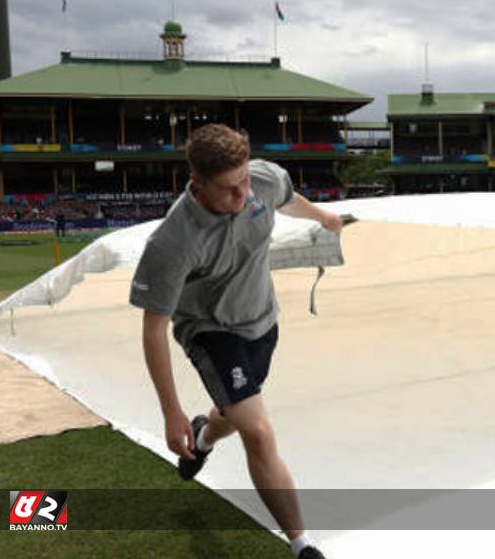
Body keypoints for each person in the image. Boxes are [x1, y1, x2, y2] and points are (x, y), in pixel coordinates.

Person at [129, 124, 340, 559]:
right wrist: (171, 413)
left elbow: (286, 199)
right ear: (197, 183)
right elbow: (153, 329)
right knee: (258, 432)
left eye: (245, 181)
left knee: (235, 410)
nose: (243, 195)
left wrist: (321, 216)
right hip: (210, 330)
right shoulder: (172, 241)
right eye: (228, 189)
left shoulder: (259, 179)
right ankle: (302, 544)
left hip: (263, 322)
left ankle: (205, 438)